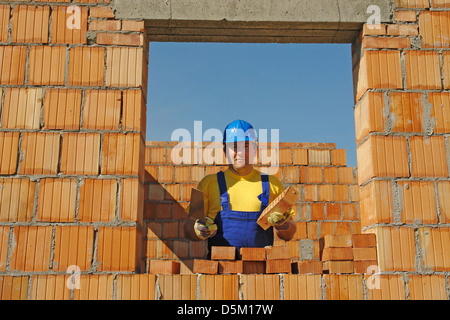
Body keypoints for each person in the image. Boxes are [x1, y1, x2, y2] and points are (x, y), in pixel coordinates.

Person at [183, 120, 297, 259]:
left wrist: (283, 225)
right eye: (235, 146)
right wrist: (198, 230)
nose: (241, 152)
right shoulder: (208, 183)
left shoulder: (272, 184)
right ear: (225, 151)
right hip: (220, 274)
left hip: (259, 275)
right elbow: (188, 230)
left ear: (255, 149)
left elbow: (289, 234)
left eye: (246, 146)